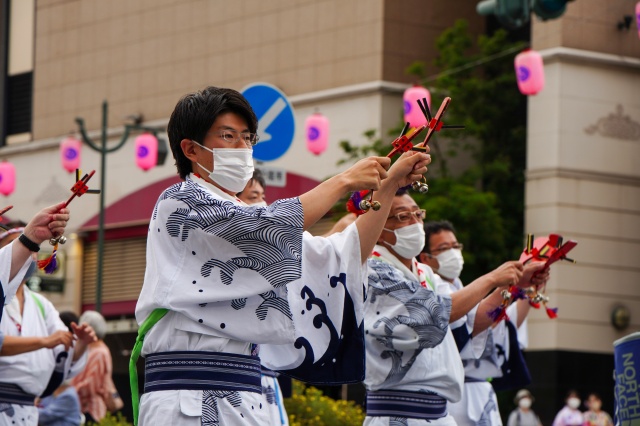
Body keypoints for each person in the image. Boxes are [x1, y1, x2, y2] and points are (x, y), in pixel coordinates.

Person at [134, 86, 430, 425]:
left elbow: (340, 255)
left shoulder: (242, 214)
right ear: (191, 149)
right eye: (228, 136)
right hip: (188, 394)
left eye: (247, 138)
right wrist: (344, 180)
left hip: (247, 392)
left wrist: (389, 185)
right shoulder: (181, 203)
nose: (243, 148)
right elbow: (269, 226)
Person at [362, 191, 545, 425]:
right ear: (377, 227)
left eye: (418, 214)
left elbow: (472, 321)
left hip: (439, 413)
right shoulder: (375, 270)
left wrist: (514, 284)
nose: (416, 223)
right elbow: (433, 313)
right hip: (399, 412)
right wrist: (491, 279)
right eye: (403, 216)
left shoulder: (425, 274)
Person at [418, 221, 546, 425]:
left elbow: (504, 325)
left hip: (481, 391)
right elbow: (478, 322)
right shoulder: (430, 289)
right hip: (449, 396)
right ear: (425, 257)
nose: (452, 252)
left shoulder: (464, 290)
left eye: (455, 246)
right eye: (443, 248)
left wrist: (525, 289)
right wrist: (508, 284)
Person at [0, 221, 96, 426]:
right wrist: (44, 341)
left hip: (28, 409)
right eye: (16, 246)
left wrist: (81, 344)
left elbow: (62, 349)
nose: (27, 254)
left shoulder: (41, 305)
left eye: (32, 249)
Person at [71, 311, 121, 424]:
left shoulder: (99, 352)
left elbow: (91, 385)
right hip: (82, 408)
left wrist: (69, 390)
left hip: (91, 410)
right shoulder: (92, 349)